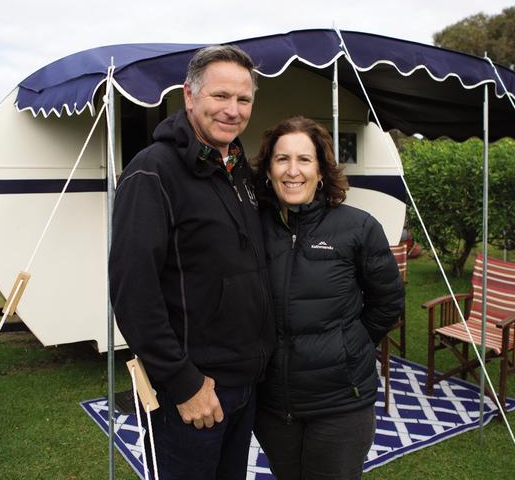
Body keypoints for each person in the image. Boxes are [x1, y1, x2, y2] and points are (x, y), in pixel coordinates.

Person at [109, 45, 275, 480]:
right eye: (220, 96)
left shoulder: (239, 167)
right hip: (193, 394)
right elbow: (132, 292)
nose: (233, 110)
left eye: (243, 100)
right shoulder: (152, 172)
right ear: (189, 96)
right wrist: (184, 383)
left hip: (243, 386)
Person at [252, 116, 405, 480]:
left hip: (341, 403)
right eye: (282, 159)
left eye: (304, 159)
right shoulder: (253, 226)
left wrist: (348, 346)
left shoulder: (358, 227)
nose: (293, 171)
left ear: (321, 170)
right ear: (269, 169)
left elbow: (388, 302)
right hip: (274, 405)